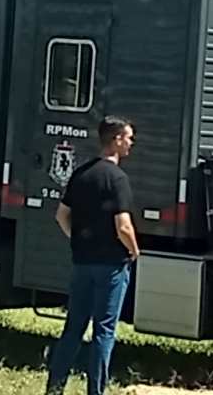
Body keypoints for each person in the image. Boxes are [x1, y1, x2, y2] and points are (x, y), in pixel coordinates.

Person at [45, 115, 140, 395]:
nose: (132, 143)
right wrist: (134, 251)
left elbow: (61, 214)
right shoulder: (118, 179)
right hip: (111, 266)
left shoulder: (82, 174)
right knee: (104, 331)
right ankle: (95, 391)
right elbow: (123, 226)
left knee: (73, 328)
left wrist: (77, 239)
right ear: (117, 140)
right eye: (129, 138)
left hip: (82, 262)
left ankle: (54, 387)